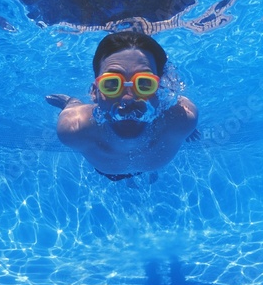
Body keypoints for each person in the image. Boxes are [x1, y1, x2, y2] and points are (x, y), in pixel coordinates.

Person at [46, 32, 198, 181]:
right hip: (108, 172)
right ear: (94, 92)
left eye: (144, 84)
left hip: (144, 165)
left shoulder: (184, 119)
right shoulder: (73, 129)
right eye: (111, 84)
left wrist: (188, 128)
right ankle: (71, 101)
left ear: (160, 90)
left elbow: (180, 106)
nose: (128, 99)